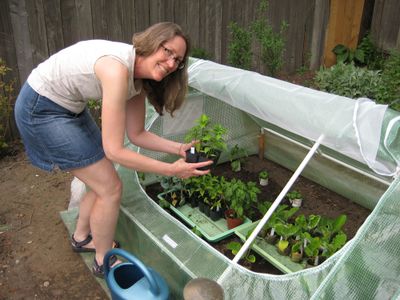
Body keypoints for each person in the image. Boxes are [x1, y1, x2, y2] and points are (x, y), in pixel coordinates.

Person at [14, 22, 212, 278]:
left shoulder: (138, 79)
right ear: (152, 43)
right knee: (110, 186)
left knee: (102, 178)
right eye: (167, 51)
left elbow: (137, 134)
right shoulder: (117, 70)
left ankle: (82, 237)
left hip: (68, 106)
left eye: (178, 60)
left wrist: (179, 148)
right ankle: (103, 260)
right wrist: (171, 170)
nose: (172, 63)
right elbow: (116, 150)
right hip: (41, 109)